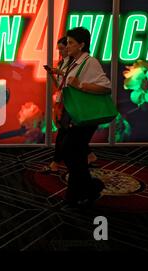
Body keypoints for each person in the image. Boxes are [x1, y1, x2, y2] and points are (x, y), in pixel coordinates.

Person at [59, 27, 109, 208]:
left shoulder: (90, 62)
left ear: (82, 45)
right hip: (76, 115)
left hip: (87, 116)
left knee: (70, 151)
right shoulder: (72, 62)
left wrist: (81, 84)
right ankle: (87, 190)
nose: (68, 45)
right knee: (76, 155)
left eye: (71, 42)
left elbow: (106, 87)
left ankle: (77, 194)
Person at [42, 36, 98, 174]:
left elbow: (75, 82)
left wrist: (59, 72)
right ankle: (90, 156)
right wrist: (52, 75)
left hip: (73, 103)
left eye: (65, 46)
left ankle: (55, 163)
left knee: (65, 134)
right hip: (63, 100)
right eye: (61, 48)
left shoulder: (80, 63)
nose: (62, 50)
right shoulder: (63, 63)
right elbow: (60, 86)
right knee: (68, 134)